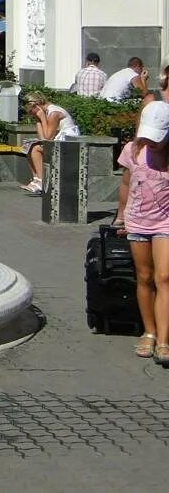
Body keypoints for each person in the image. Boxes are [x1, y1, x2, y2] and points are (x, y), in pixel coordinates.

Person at [115, 100, 169, 364]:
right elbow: (126, 183)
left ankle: (164, 340)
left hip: (166, 223)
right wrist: (120, 215)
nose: (152, 142)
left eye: (158, 138)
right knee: (145, 277)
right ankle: (149, 331)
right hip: (137, 222)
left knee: (165, 277)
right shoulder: (133, 150)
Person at [19, 91, 80, 193]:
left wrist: (42, 118)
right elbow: (43, 138)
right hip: (61, 140)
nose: (31, 113)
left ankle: (41, 180)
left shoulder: (53, 113)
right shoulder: (47, 112)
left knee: (35, 149)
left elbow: (47, 138)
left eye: (31, 111)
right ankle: (36, 180)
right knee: (29, 147)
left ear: (37, 105)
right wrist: (38, 119)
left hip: (68, 143)